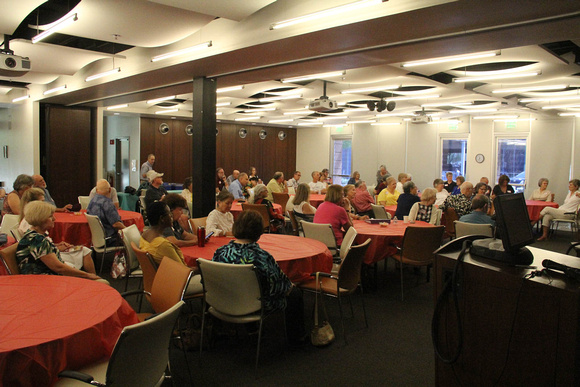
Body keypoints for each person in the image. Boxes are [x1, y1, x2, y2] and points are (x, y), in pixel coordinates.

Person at [212, 210, 306, 345]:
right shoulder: (262, 257)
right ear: (259, 232)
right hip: (255, 305)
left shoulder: (220, 252)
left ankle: (248, 328)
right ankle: (297, 339)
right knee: (295, 293)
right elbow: (281, 286)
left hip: (224, 301)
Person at [16, 201, 100, 280]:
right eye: (50, 216)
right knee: (103, 282)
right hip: (43, 280)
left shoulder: (33, 234)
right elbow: (59, 268)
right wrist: (87, 275)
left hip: (44, 275)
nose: (54, 219)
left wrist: (55, 246)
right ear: (41, 219)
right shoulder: (37, 240)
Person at [139, 201, 187, 265]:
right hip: (171, 274)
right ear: (162, 218)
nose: (171, 215)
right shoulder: (163, 245)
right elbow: (183, 269)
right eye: (169, 213)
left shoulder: (145, 234)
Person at [87, 179, 125, 246]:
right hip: (110, 238)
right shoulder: (108, 203)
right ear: (110, 190)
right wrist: (127, 229)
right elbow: (115, 224)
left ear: (96, 190)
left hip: (97, 238)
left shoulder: (92, 201)